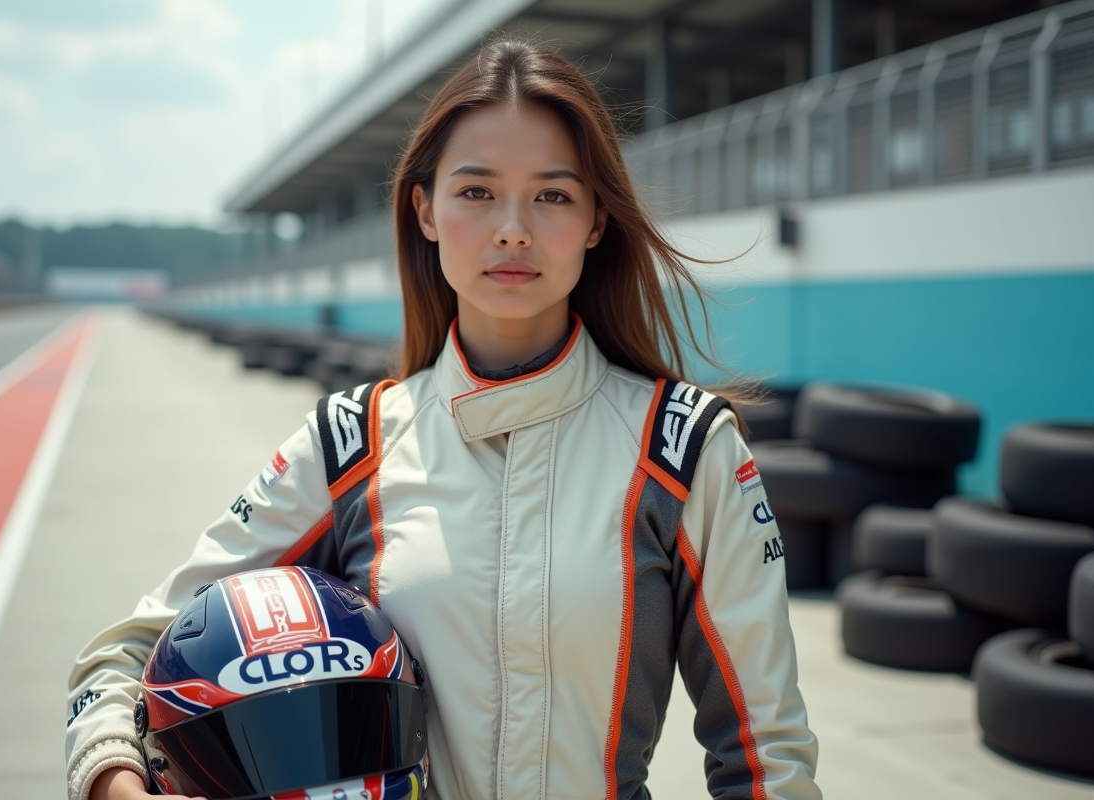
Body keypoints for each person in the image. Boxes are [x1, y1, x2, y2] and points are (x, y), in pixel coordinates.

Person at [67, 40, 820, 800]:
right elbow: (128, 653)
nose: (513, 229)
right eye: (477, 192)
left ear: (597, 220)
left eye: (553, 195)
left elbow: (768, 760)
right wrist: (114, 779)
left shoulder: (684, 449)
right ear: (425, 210)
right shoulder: (351, 445)